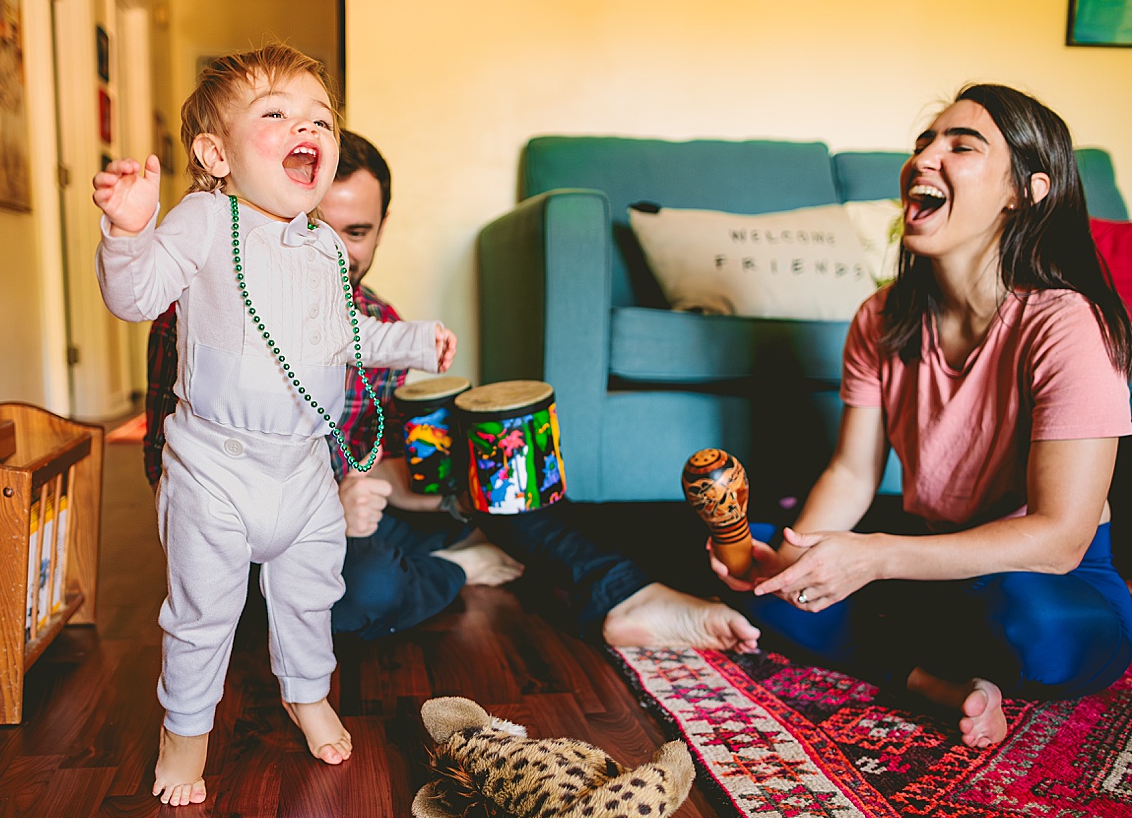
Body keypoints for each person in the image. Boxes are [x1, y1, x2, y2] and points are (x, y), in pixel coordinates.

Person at [144, 131, 763, 654]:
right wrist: (332, 501)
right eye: (316, 227)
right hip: (257, 538)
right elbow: (167, 472)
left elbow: (383, 462)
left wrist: (434, 471)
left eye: (356, 232)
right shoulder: (200, 307)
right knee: (361, 595)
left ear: (383, 227)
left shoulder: (378, 319)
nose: (335, 253)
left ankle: (629, 595)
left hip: (362, 517)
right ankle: (457, 567)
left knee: (501, 475)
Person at [709, 84, 1132, 749]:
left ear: (1025, 191)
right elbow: (853, 474)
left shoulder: (1067, 323)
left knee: (1030, 625)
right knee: (753, 568)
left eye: (961, 146)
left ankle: (919, 651)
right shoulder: (880, 318)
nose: (923, 159)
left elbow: (1059, 538)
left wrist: (875, 559)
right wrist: (788, 563)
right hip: (925, 566)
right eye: (922, 143)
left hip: (1045, 582)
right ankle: (935, 680)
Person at [94, 44, 455, 806]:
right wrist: (129, 234)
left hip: (302, 470)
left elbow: (345, 336)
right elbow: (136, 298)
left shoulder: (323, 246)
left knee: (309, 596)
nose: (309, 129)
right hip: (215, 468)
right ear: (214, 154)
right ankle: (183, 736)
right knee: (202, 614)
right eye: (278, 114)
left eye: (320, 118)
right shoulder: (202, 221)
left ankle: (306, 693)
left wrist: (415, 340)